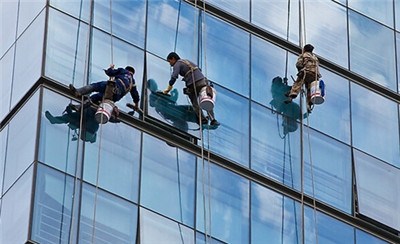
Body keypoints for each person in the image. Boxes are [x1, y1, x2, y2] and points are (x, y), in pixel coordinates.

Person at [163, 52, 219, 126]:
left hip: (193, 85)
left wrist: (169, 87)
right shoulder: (186, 61)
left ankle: (202, 119)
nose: (170, 64)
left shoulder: (177, 64)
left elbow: (174, 76)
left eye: (169, 61)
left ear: (173, 58)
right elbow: (199, 69)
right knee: (206, 100)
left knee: (195, 103)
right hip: (202, 81)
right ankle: (213, 120)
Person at [69, 64, 140, 112]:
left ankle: (78, 92)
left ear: (127, 69)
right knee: (96, 97)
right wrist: (136, 106)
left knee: (95, 86)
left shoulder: (124, 71)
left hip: (112, 86)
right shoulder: (132, 83)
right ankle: (79, 107)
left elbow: (110, 72)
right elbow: (135, 96)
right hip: (115, 96)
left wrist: (111, 68)